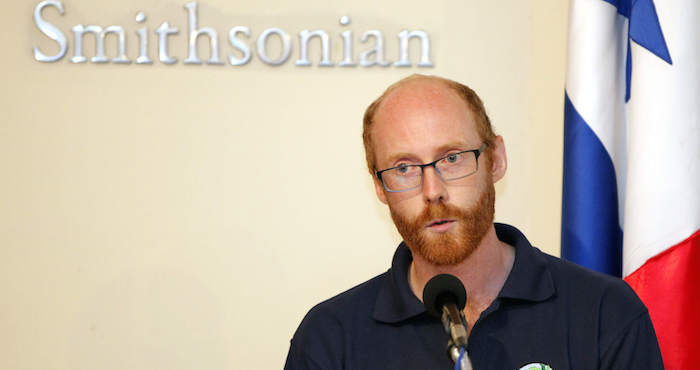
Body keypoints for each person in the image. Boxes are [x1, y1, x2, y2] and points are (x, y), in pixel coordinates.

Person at [284, 74, 663, 369]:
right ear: (380, 187)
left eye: (451, 158)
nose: (432, 190)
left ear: (495, 159)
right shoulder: (330, 336)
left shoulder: (604, 312)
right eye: (404, 168)